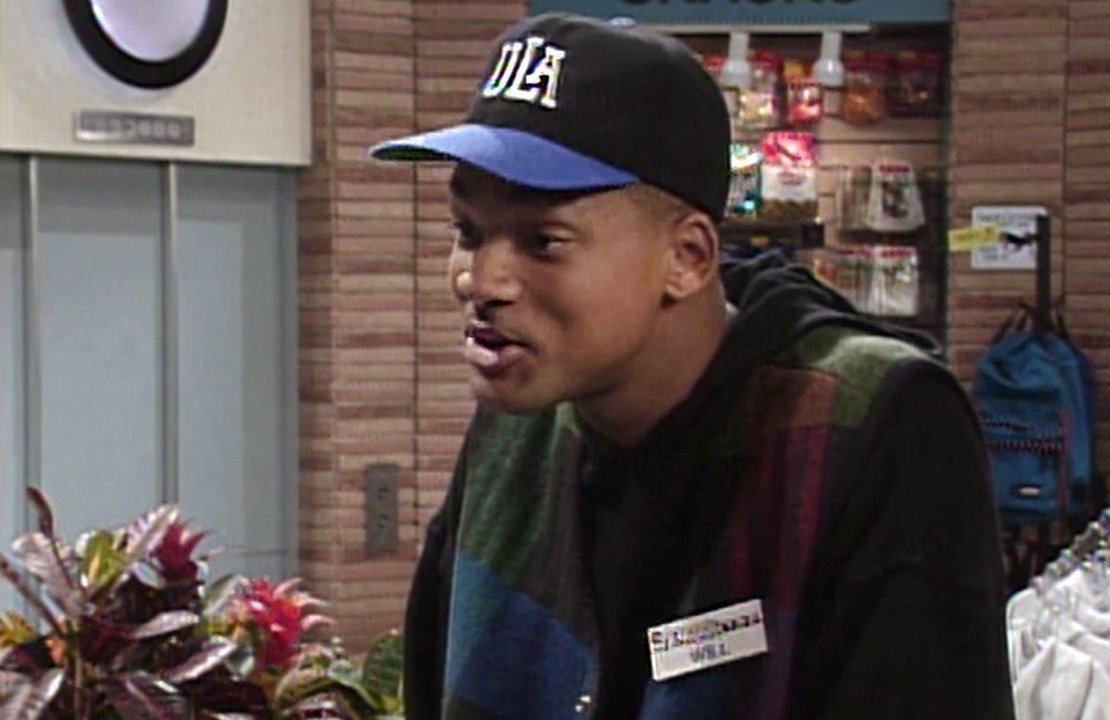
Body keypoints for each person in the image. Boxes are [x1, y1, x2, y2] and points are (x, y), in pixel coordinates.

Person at [371, 13, 1014, 720]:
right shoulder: (516, 423)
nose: (479, 280)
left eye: (544, 241)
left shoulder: (877, 426)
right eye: (468, 231)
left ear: (687, 257)